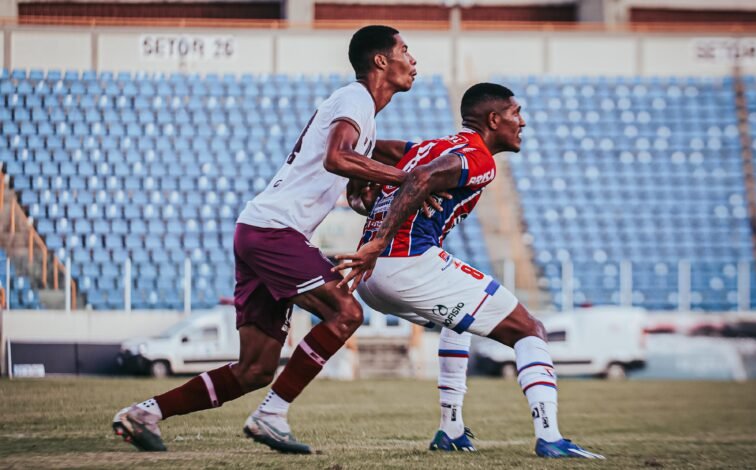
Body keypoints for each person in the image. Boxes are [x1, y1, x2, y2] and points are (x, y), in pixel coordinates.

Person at [112, 24, 427, 454]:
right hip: (274, 232)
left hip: (260, 230)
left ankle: (143, 413)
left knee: (255, 368)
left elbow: (351, 161)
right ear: (380, 61)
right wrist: (408, 180)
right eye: (405, 50)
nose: (413, 60)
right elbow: (338, 157)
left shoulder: (361, 113)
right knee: (347, 312)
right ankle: (272, 415)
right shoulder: (355, 98)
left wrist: (385, 179)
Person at [334, 83, 605, 459]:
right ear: (494, 119)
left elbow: (365, 147)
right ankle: (551, 437)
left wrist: (357, 191)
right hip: (403, 262)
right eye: (516, 113)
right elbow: (423, 178)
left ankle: (451, 429)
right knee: (530, 330)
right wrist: (379, 239)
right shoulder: (478, 158)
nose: (522, 122)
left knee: (458, 322)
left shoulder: (428, 146)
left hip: (372, 278)